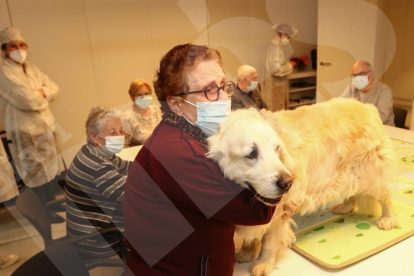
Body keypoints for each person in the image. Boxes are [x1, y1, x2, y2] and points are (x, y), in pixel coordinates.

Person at [123, 44, 276, 276]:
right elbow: (257, 211)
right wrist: (271, 145)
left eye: (223, 86)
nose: (224, 98)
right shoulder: (180, 156)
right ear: (175, 103)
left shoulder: (182, 133)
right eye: (209, 90)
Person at [0, 27, 64, 223]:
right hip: (24, 131)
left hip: (44, 128)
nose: (19, 49)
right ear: (4, 49)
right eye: (13, 46)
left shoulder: (33, 68)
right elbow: (26, 100)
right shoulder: (4, 72)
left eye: (21, 45)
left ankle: (52, 203)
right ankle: (43, 212)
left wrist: (42, 91)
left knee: (49, 170)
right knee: (34, 174)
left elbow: (55, 88)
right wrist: (42, 93)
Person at [64, 106, 131, 258]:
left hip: (89, 229)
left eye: (121, 131)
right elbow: (134, 198)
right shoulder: (99, 165)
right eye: (113, 133)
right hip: (98, 240)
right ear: (94, 136)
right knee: (159, 221)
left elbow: (127, 167)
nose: (120, 136)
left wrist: (153, 164)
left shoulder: (95, 151)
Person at [340, 61, 395, 126]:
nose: (357, 78)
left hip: (382, 131)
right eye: (354, 75)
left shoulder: (384, 90)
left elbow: (381, 118)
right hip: (357, 129)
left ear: (371, 74)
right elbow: (339, 108)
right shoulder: (351, 88)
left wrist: (353, 116)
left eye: (361, 74)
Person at [263, 23, 298, 111]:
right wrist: (290, 65)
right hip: (274, 87)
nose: (288, 39)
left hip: (276, 85)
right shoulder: (275, 48)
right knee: (276, 112)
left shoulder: (276, 46)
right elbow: (275, 70)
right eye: (288, 37)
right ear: (284, 34)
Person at [121, 79, 162, 146]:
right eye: (139, 95)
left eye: (146, 94)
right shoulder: (127, 118)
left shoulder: (157, 110)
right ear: (132, 97)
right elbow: (125, 146)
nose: (144, 98)